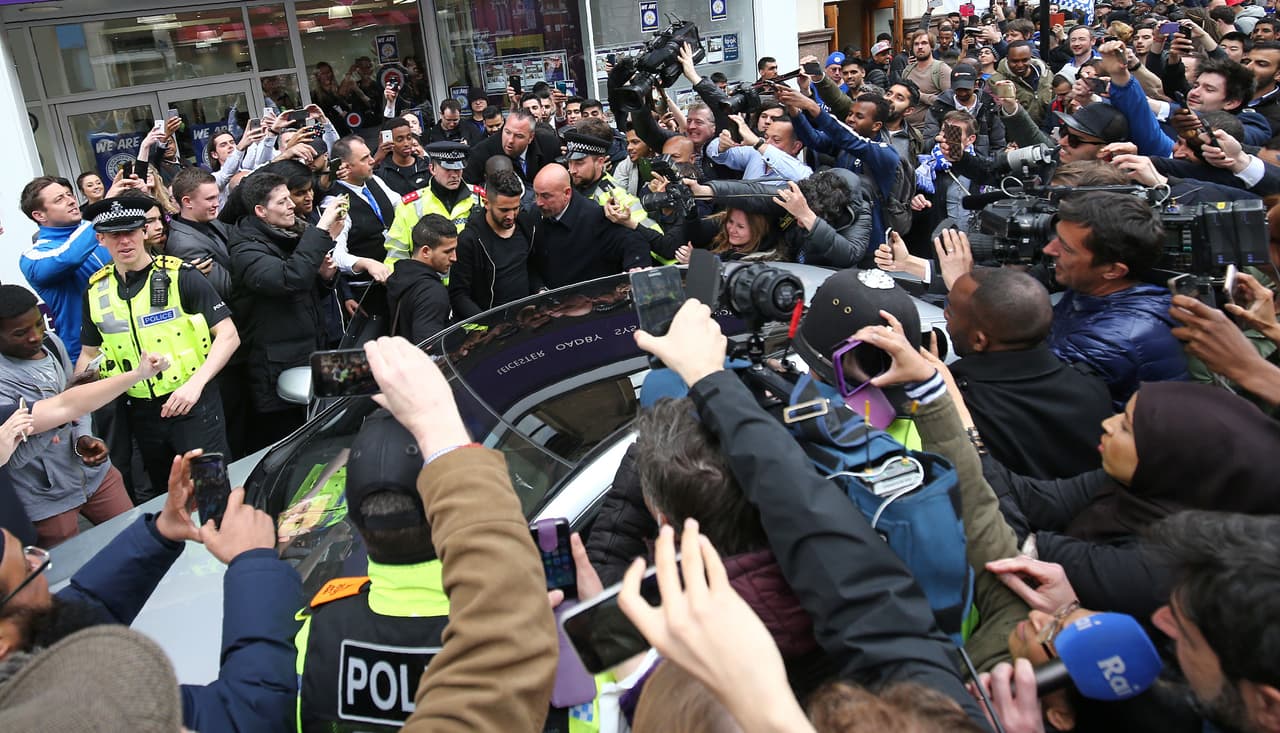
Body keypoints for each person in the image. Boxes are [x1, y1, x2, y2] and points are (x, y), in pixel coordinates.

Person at [0, 450, 304, 733]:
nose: (40, 562)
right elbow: (249, 716)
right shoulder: (79, 716)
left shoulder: (19, 655)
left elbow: (73, 613)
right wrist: (254, 564)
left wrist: (160, 533)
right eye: (28, 569)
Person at [358, 336, 556, 732]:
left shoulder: (315, 631)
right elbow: (508, 641)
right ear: (439, 513)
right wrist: (439, 426)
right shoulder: (538, 623)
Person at [75, 196, 239, 502]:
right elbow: (88, 353)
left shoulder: (181, 275)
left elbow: (228, 335)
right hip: (141, 411)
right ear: (101, 239)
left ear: (144, 232)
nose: (125, 241)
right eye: (114, 235)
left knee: (212, 493)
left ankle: (227, 543)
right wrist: (78, 408)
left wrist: (195, 385)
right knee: (170, 498)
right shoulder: (96, 290)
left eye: (132, 231)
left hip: (193, 404)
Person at [0, 285, 164, 547]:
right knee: (69, 573)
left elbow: (76, 400)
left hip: (96, 476)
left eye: (39, 324)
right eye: (20, 333)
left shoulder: (52, 343)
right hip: (46, 500)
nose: (35, 336)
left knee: (140, 540)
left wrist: (82, 437)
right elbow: (14, 458)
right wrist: (63, 414)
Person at [944, 268, 1114, 479]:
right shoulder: (1093, 388)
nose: (945, 315)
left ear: (979, 340)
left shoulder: (961, 407)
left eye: (950, 310)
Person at [229, 171, 344, 450]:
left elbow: (305, 282)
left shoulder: (289, 234)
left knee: (332, 432)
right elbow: (289, 280)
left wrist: (325, 278)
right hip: (278, 371)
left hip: (311, 353)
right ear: (261, 211)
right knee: (291, 450)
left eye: (288, 199)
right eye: (282, 202)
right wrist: (321, 230)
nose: (292, 205)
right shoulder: (246, 250)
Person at [1045, 191, 1188, 407]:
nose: (1048, 249)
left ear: (1112, 270)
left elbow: (1023, 386)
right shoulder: (1092, 289)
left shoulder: (1115, 340)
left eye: (1065, 248)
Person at [18, 176, 113, 361]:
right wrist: (103, 209)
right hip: (86, 353)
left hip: (128, 340)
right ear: (39, 215)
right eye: (59, 199)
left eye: (69, 195)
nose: (71, 201)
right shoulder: (33, 256)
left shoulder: (94, 230)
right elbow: (68, 257)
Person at [528, 165, 648, 290]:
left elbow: (633, 242)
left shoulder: (594, 217)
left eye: (546, 196)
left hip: (590, 300)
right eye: (536, 195)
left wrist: (634, 272)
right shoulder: (535, 214)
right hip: (551, 303)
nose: (539, 202)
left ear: (567, 193)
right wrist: (539, 288)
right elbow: (530, 261)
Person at [449, 169, 534, 320]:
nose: (511, 216)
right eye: (504, 210)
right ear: (486, 203)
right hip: (492, 330)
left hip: (526, 320)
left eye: (516, 208)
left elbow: (533, 267)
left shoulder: (525, 224)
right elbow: (458, 295)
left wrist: (539, 291)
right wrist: (488, 324)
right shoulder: (470, 240)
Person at [384, 142, 481, 265]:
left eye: (458, 169)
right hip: (428, 281)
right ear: (432, 169)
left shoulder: (479, 198)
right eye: (448, 169)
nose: (454, 175)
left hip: (471, 280)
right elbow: (396, 256)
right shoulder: (411, 205)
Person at [165, 168, 235, 301]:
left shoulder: (209, 220)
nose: (217, 203)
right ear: (187, 202)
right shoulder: (184, 245)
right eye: (210, 199)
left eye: (217, 196)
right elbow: (227, 288)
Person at [386, 214, 456, 345]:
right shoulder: (432, 293)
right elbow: (430, 348)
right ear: (425, 251)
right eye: (448, 252)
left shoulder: (400, 276)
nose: (454, 258)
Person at [462, 110, 561, 186]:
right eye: (507, 132)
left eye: (519, 136)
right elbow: (469, 186)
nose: (510, 140)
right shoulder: (482, 152)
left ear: (531, 137)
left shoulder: (549, 145)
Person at [988, 41, 1055, 125]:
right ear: (1007, 58)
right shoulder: (998, 81)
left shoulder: (1046, 75)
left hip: (1046, 131)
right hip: (1018, 132)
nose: (1020, 65)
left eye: (1024, 60)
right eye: (1015, 61)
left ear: (1030, 58)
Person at [375, 117, 433, 196]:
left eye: (409, 138)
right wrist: (377, 158)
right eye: (400, 139)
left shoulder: (425, 166)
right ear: (390, 142)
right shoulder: (383, 172)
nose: (406, 143)